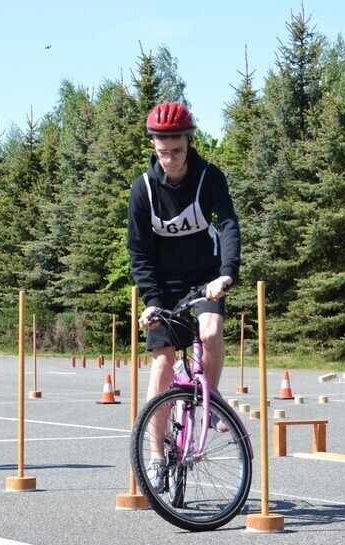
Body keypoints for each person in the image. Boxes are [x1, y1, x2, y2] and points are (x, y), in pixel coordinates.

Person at [126, 102, 241, 492]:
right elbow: (139, 251)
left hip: (206, 278)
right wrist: (151, 300)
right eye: (163, 152)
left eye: (177, 150)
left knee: (210, 332)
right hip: (163, 288)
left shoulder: (209, 177)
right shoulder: (143, 189)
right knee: (162, 363)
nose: (170, 159)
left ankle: (209, 398)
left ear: (189, 143)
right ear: (154, 147)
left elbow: (228, 223)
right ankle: (156, 456)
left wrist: (226, 273)